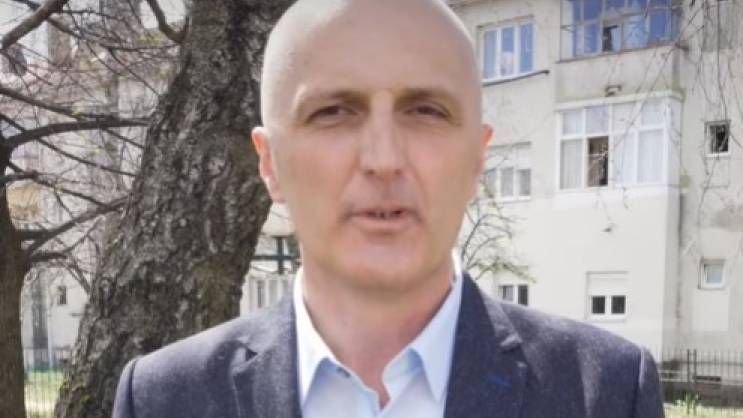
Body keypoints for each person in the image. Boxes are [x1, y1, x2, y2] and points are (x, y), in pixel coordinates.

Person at [113, 0, 665, 417]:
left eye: (425, 111)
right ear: (270, 163)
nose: (383, 159)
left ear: (477, 158)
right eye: (334, 112)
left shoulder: (606, 393)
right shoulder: (165, 399)